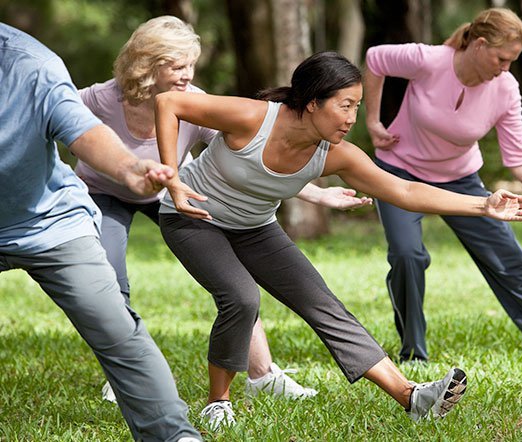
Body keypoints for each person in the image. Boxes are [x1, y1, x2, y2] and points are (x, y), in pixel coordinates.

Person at [152, 50, 522, 430]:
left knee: (323, 304)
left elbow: (404, 192)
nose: (352, 118)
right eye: (344, 105)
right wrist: (173, 177)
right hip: (193, 218)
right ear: (311, 103)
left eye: (357, 107)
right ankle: (217, 403)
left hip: (255, 228)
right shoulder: (254, 118)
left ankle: (411, 397)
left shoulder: (335, 155)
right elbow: (169, 102)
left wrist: (482, 205)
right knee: (241, 297)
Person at [74, 16, 368, 404]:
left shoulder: (195, 102)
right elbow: (50, 120)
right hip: (104, 192)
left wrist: (318, 194)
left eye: (190, 64)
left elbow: (249, 162)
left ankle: (262, 375)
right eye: (176, 65)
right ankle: (126, 372)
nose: (186, 74)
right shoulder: (99, 99)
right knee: (111, 279)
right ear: (146, 64)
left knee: (236, 285)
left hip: (175, 193)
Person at [363, 7, 522, 364]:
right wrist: (374, 121)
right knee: (408, 256)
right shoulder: (429, 60)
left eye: (512, 61)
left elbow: (518, 159)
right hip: (399, 172)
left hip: (460, 179)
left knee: (509, 260)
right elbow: (375, 59)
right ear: (479, 45)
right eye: (502, 58)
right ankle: (413, 354)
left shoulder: (505, 89)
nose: (506, 68)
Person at [0, 23, 202, 441]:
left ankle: (174, 436)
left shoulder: (31, 66)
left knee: (116, 327)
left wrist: (130, 168)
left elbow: (83, 129)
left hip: (48, 224)